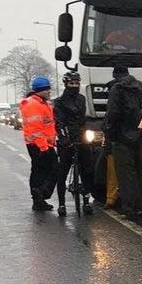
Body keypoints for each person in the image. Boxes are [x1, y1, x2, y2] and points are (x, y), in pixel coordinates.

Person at [103, 64, 142, 216]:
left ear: (115, 75)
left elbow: (113, 114)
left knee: (125, 175)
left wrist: (110, 133)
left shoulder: (116, 89)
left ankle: (130, 207)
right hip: (140, 136)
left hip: (121, 138)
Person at [53, 71, 95, 216]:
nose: (74, 86)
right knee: (62, 170)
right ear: (66, 84)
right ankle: (62, 204)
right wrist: (64, 137)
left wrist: (87, 134)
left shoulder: (82, 99)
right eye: (71, 83)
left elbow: (83, 119)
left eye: (76, 83)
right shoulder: (59, 102)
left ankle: (86, 200)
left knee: (87, 169)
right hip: (66, 136)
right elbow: (59, 122)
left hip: (81, 136)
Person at [20, 76, 58, 211]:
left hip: (42, 144)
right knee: (53, 169)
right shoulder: (33, 105)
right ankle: (41, 193)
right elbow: (36, 129)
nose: (49, 92)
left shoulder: (42, 103)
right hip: (39, 145)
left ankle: (38, 200)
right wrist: (43, 147)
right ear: (40, 90)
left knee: (39, 171)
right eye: (46, 89)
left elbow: (49, 124)